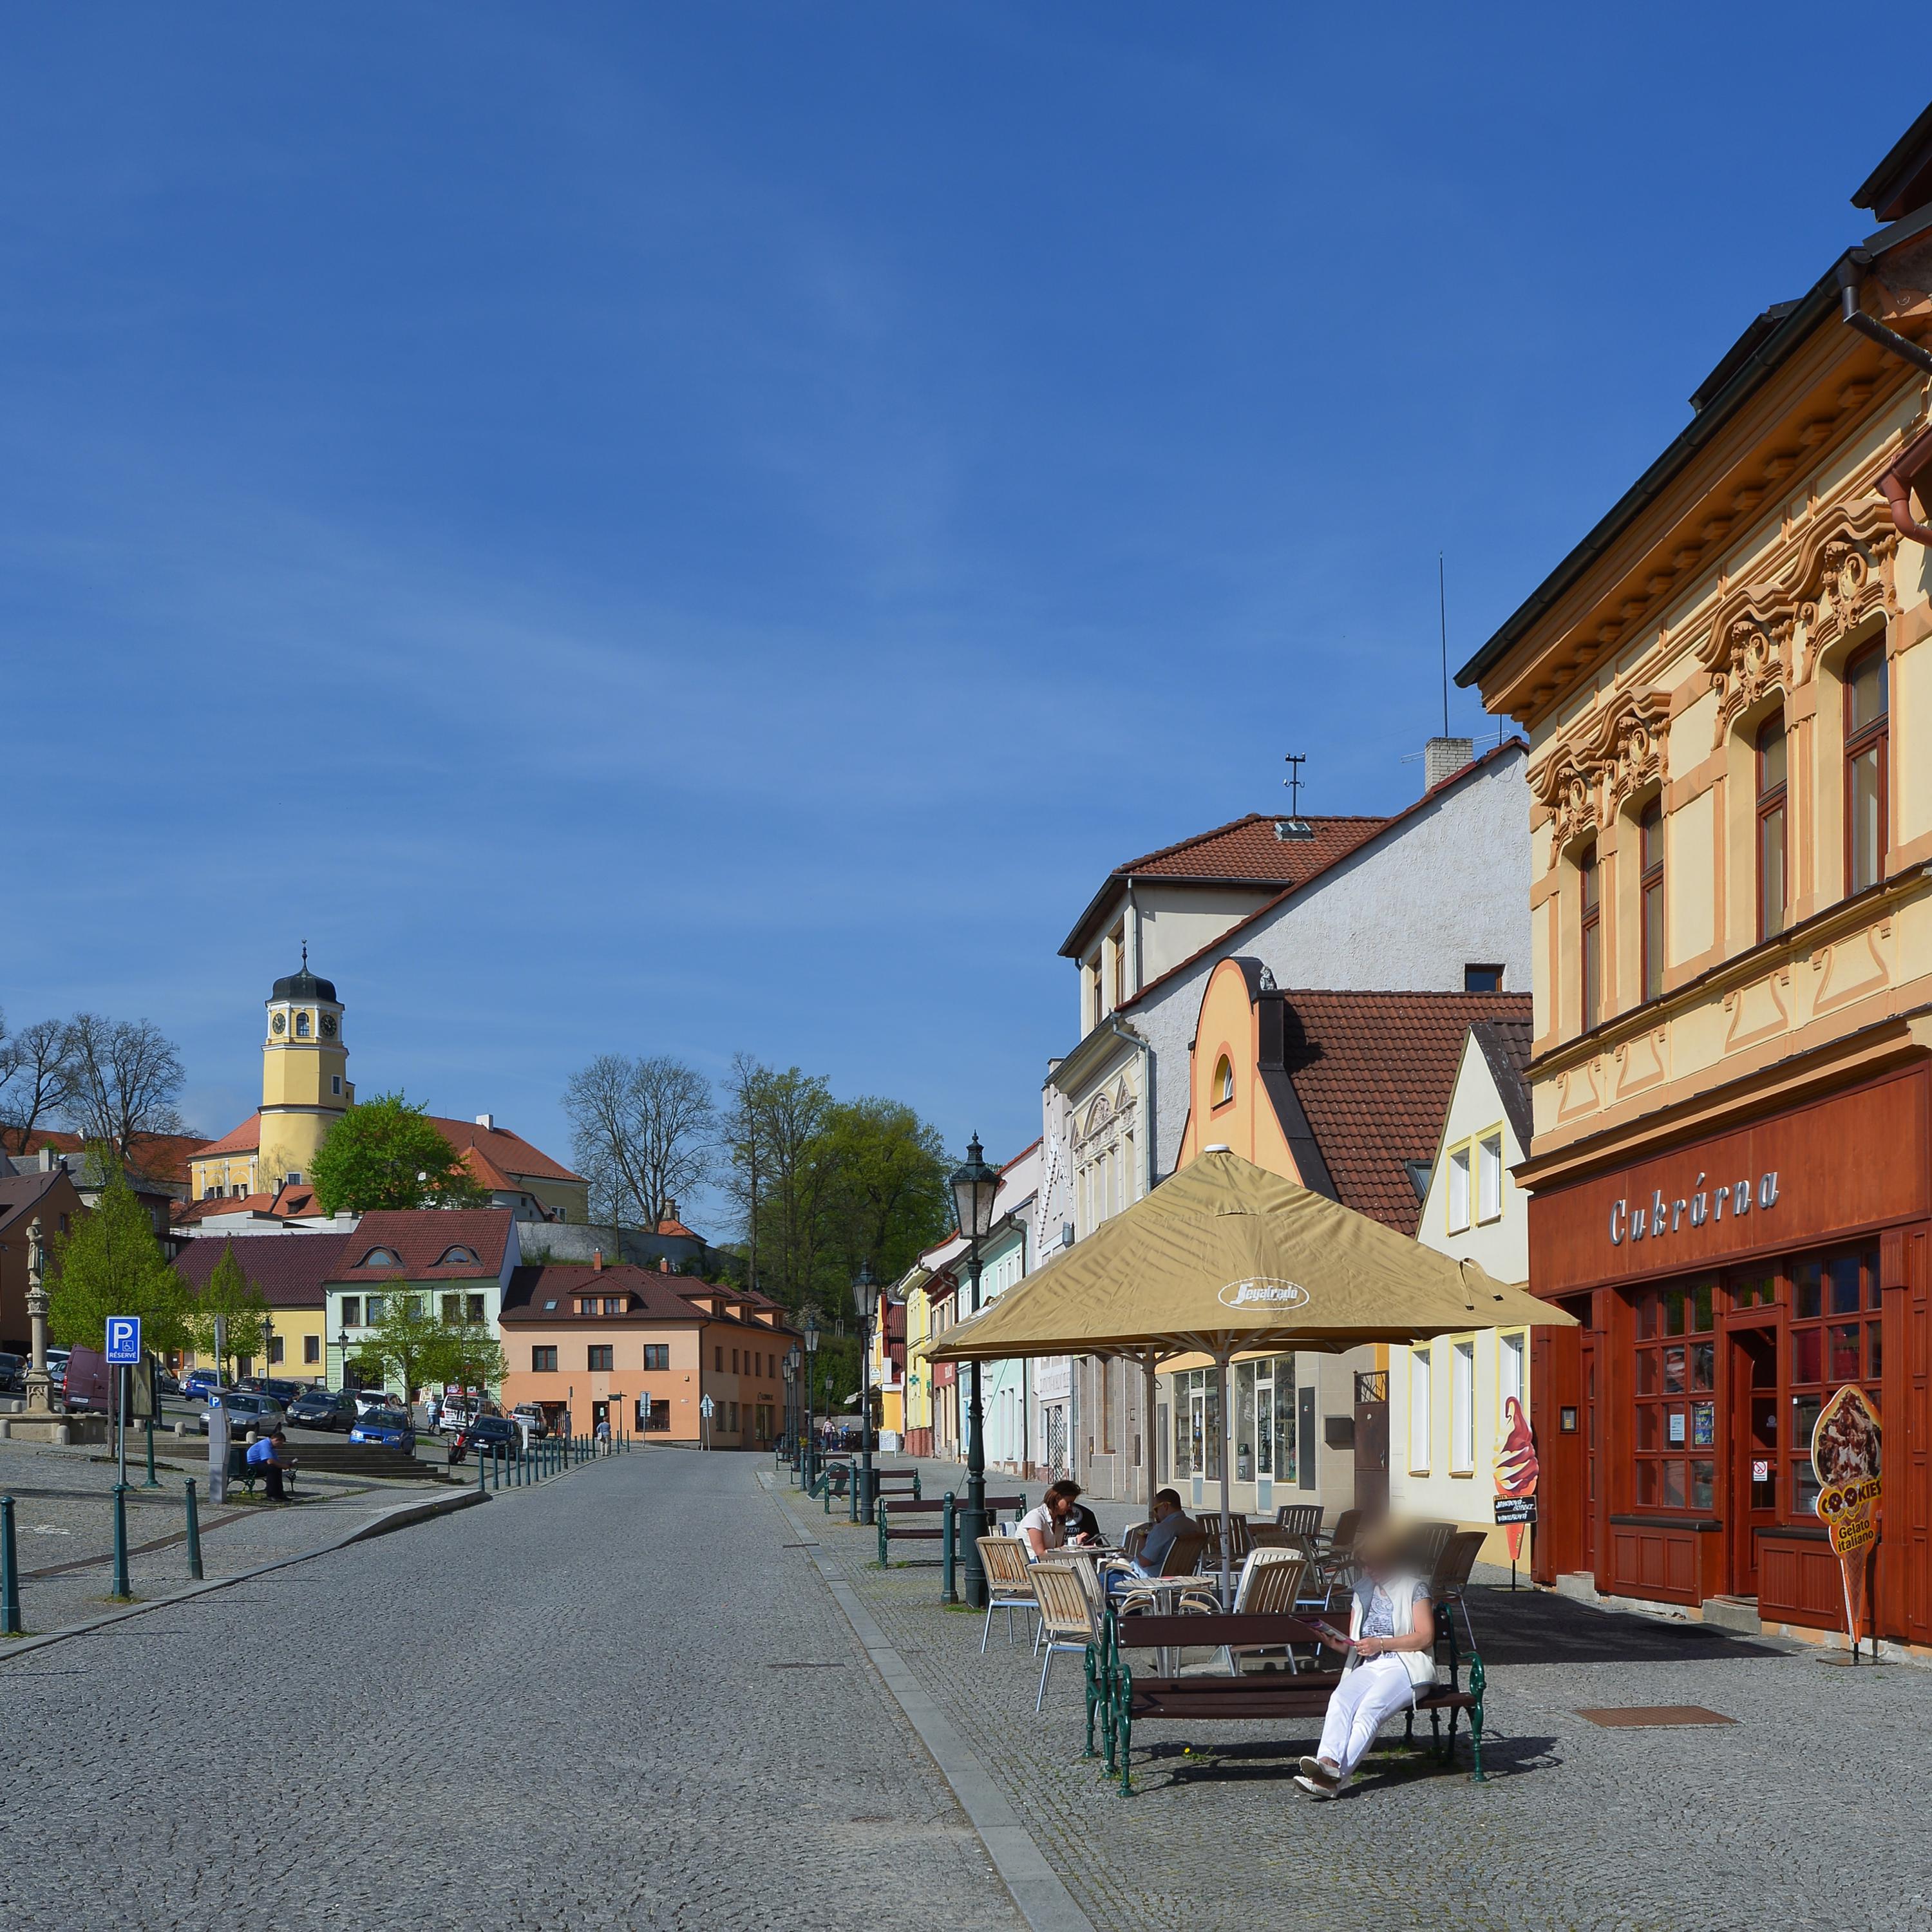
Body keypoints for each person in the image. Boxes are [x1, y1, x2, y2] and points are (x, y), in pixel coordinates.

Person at [1293, 1525, 1437, 1799]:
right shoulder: (1362, 1591)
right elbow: (1358, 1642)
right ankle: (1327, 1763)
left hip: (1405, 1665)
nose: (1370, 1570)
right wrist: (1335, 1642)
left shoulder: (1414, 1588)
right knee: (1340, 1699)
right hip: (1369, 1664)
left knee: (1369, 1710)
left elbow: (1425, 1637)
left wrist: (1381, 1644)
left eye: (1376, 1564)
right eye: (1365, 1564)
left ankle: (1331, 1781)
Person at [1016, 1481, 1083, 1559]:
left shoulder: (1059, 1519)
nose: (1070, 1507)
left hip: (1049, 1561)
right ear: (1058, 1498)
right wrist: (1070, 1548)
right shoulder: (1036, 1517)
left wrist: (1075, 1544)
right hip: (1031, 1562)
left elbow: (1058, 1548)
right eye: (1068, 1503)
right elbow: (1040, 1554)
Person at [246, 1426, 294, 1502]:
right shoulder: (265, 1445)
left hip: (260, 1465)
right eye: (280, 1443)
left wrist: (286, 1463)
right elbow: (270, 1461)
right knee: (272, 1468)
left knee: (276, 1468)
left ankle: (280, 1494)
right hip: (251, 1468)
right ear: (276, 1440)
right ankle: (272, 1495)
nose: (281, 1445)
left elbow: (276, 1460)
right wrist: (283, 1466)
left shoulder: (271, 1447)